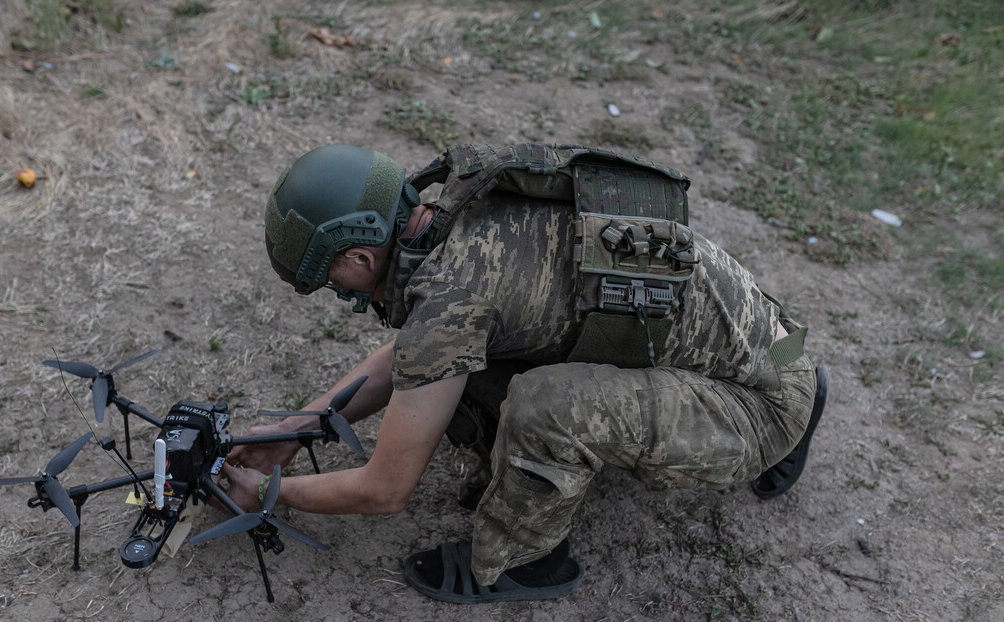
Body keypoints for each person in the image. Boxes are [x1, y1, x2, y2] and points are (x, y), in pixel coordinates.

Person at [223, 143, 827, 603]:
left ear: (358, 256)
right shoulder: (464, 206)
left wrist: (271, 495)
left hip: (758, 399)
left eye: (329, 277)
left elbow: (385, 490)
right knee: (476, 368)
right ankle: (807, 386)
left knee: (543, 406)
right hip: (780, 342)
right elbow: (413, 355)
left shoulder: (450, 297)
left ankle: (523, 561)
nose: (334, 290)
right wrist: (297, 432)